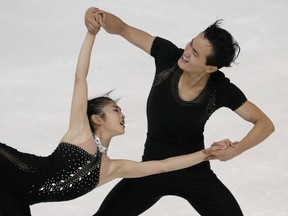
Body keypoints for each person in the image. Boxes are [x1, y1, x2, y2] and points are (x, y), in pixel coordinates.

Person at [0, 12, 228, 216]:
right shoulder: (80, 134)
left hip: (15, 197)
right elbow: (81, 77)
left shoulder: (111, 168)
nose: (122, 114)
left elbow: (163, 166)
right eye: (115, 109)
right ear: (96, 119)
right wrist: (91, 34)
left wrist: (206, 154)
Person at [85, 7, 275, 216]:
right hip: (151, 168)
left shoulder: (220, 89)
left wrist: (236, 149)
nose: (186, 52)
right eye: (191, 44)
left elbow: (264, 124)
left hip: (194, 172)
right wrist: (99, 18)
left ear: (210, 68)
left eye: (195, 54)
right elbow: (123, 29)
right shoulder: (167, 57)